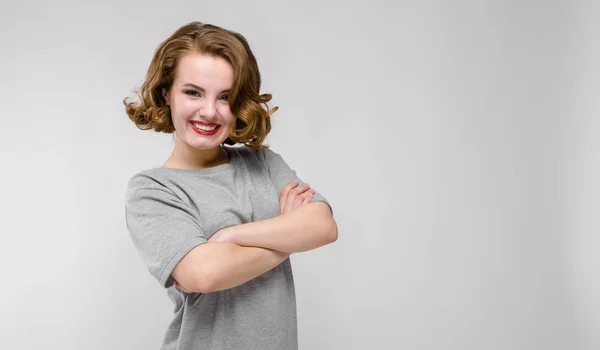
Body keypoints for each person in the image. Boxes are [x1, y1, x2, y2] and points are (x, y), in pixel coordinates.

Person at [122, 21, 338, 350]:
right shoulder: (153, 190)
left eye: (225, 97)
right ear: (166, 93)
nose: (209, 112)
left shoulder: (263, 163)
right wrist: (287, 233)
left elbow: (323, 226)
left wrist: (232, 237)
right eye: (193, 92)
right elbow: (204, 274)